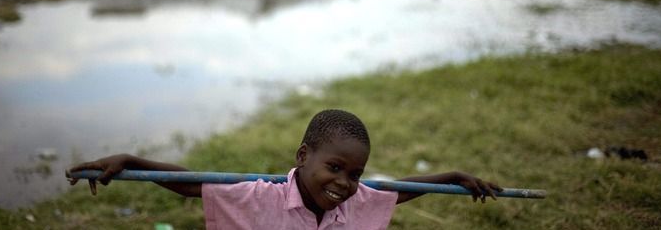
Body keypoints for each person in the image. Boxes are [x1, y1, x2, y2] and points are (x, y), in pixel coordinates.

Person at [68, 109, 501, 229]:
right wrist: (131, 161)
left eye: (354, 174)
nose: (345, 183)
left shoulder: (358, 201)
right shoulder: (262, 198)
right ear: (302, 156)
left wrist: (452, 177)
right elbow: (191, 184)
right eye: (334, 167)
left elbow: (399, 190)